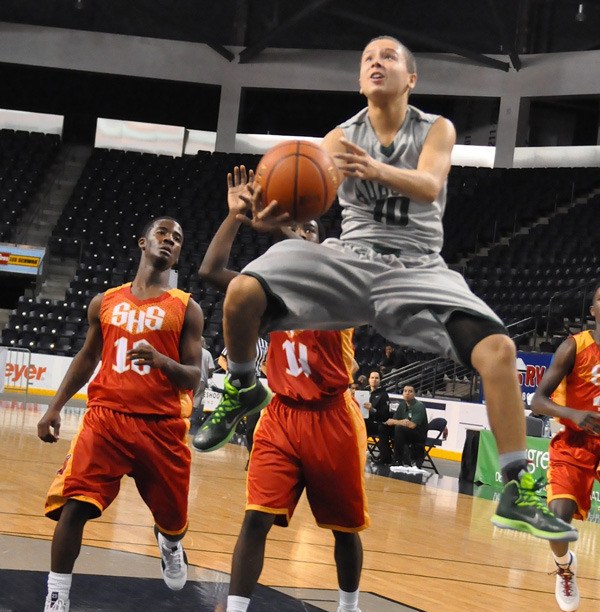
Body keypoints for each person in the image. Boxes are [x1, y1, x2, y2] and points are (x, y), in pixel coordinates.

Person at [194, 36, 576, 542]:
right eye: (367, 59)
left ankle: (514, 487)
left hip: (417, 267)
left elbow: (430, 185)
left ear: (410, 78)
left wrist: (373, 168)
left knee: (499, 351)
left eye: (388, 56)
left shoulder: (435, 129)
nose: (376, 62)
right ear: (360, 79)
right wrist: (257, 213)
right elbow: (300, 203)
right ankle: (243, 384)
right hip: (350, 258)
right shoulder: (336, 138)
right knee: (243, 291)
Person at [196, 166, 368, 612]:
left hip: (333, 416)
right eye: (294, 229)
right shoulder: (264, 291)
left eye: (307, 228)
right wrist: (234, 217)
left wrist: (282, 225)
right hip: (281, 415)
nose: (300, 235)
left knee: (344, 529)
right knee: (254, 520)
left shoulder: (339, 284)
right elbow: (210, 273)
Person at [31, 217, 204, 612]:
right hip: (106, 419)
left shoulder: (186, 307)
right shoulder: (104, 301)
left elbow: (193, 376)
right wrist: (54, 407)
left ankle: (169, 542)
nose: (169, 241)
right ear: (143, 242)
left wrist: (161, 362)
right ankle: (56, 603)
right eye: (163, 233)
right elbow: (88, 358)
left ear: (178, 255)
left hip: (161, 427)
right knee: (74, 506)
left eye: (177, 239)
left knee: (173, 520)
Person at [530, 283, 600, 612]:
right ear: (593, 310)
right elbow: (538, 400)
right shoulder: (573, 347)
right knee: (556, 521)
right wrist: (573, 413)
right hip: (574, 443)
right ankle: (565, 567)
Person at [383, 384, 428, 466]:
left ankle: (398, 460)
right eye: (405, 391)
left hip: (418, 435)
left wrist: (398, 422)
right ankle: (385, 457)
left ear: (414, 394)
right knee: (384, 428)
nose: (407, 393)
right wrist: (402, 422)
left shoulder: (419, 406)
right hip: (405, 432)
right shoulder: (402, 405)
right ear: (402, 393)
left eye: (410, 391)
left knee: (399, 428)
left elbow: (412, 425)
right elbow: (393, 420)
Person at [363, 369, 392, 462]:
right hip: (366, 422)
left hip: (378, 423)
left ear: (380, 380)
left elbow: (385, 415)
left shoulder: (384, 395)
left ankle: (384, 456)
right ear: (369, 379)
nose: (374, 380)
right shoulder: (364, 393)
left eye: (376, 378)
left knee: (381, 428)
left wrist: (373, 410)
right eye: (372, 378)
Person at [190, 336, 215, 434]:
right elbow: (211, 368)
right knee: (196, 401)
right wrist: (208, 375)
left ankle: (184, 417)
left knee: (187, 398)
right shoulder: (207, 353)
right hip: (201, 380)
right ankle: (189, 418)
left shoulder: (190, 350)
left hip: (190, 377)